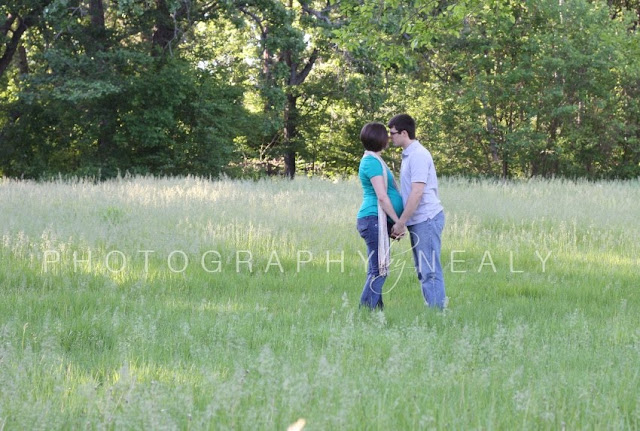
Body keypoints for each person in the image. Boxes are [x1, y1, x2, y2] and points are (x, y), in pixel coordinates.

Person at [388, 114, 446, 309]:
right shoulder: (408, 155)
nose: (390, 137)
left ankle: (437, 313)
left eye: (393, 133)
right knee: (423, 268)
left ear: (404, 133)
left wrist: (401, 222)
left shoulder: (418, 155)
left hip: (426, 219)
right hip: (418, 220)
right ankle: (434, 309)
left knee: (429, 270)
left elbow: (417, 192)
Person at [356, 122, 404, 309]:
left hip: (377, 220)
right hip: (373, 219)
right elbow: (382, 197)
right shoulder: (371, 162)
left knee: (378, 268)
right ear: (380, 139)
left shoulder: (375, 160)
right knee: (379, 270)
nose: (389, 139)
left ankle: (376, 312)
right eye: (386, 135)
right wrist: (398, 222)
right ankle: (365, 310)